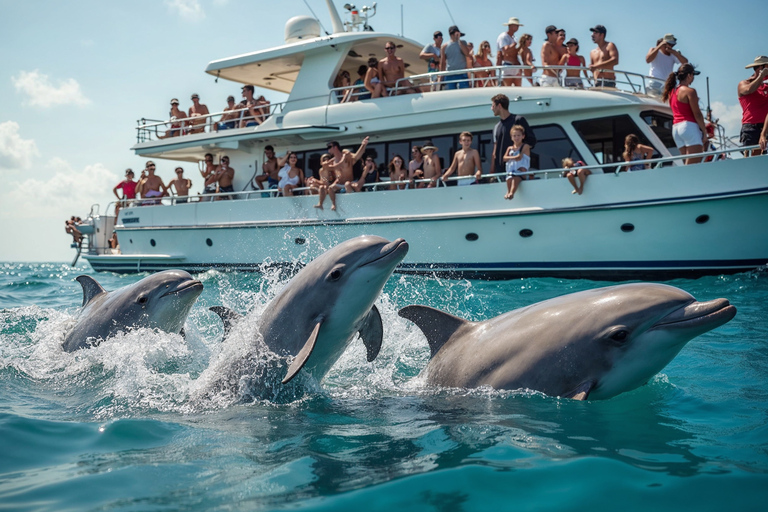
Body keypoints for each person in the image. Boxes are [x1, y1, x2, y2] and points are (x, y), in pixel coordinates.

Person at [662, 63, 708, 165]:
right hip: (689, 127)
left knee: (687, 164)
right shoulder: (690, 91)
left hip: (676, 129)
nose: (693, 78)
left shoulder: (671, 92)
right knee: (693, 165)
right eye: (693, 75)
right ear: (689, 75)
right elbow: (697, 114)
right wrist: (705, 132)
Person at [490, 94, 536, 179]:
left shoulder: (518, 120)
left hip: (517, 172)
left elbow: (531, 141)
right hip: (501, 172)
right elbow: (495, 151)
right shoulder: (497, 127)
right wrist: (492, 171)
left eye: (493, 106)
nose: (491, 108)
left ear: (499, 106)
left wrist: (520, 155)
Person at [738, 56, 768, 156]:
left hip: (766, 126)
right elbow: (749, 90)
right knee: (751, 160)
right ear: (761, 68)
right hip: (751, 127)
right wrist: (761, 76)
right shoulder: (744, 83)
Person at [440, 25, 471, 90]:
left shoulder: (463, 43)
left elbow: (467, 54)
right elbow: (443, 62)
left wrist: (459, 40)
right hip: (450, 74)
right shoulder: (444, 47)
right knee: (449, 95)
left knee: (464, 93)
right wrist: (441, 77)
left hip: (462, 73)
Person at [504, 125, 531, 199]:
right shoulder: (509, 148)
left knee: (515, 179)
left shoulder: (525, 146)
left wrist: (512, 158)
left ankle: (512, 193)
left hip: (521, 171)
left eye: (518, 135)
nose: (516, 138)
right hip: (511, 171)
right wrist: (513, 157)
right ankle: (508, 191)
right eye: (514, 136)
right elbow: (504, 158)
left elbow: (519, 157)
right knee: (509, 179)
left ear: (523, 136)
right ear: (511, 137)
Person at [496, 17, 523, 87]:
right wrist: (515, 44)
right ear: (510, 26)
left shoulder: (514, 38)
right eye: (515, 25)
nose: (517, 27)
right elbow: (505, 50)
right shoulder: (503, 36)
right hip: (508, 65)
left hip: (516, 66)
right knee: (507, 89)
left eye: (517, 26)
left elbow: (515, 51)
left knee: (518, 89)